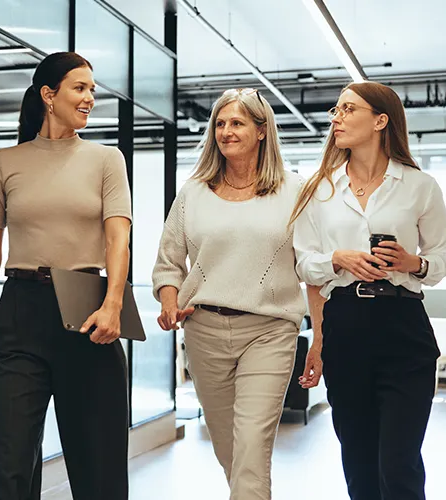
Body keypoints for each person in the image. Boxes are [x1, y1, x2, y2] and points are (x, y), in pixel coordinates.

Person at [0, 52, 132, 500]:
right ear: (48, 95)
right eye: (81, 88)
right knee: (13, 463)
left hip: (86, 308)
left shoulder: (106, 160)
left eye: (93, 89)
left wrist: (114, 302)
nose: (90, 98)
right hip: (21, 311)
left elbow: (118, 239)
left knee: (97, 466)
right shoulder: (5, 163)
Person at [291, 81, 446, 500]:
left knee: (398, 462)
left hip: (404, 326)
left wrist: (410, 262)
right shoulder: (319, 190)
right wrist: (337, 260)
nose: (336, 118)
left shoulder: (420, 186)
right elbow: (304, 263)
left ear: (380, 121)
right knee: (359, 461)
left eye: (348, 109)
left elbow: (441, 261)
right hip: (345, 324)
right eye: (335, 111)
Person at [152, 88, 306, 500]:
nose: (225, 131)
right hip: (204, 332)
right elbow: (169, 261)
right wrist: (169, 299)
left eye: (236, 123)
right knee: (229, 449)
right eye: (219, 124)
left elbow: (313, 265)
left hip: (270, 330)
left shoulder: (293, 191)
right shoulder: (193, 193)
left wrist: (323, 336)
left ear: (261, 130)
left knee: (252, 445)